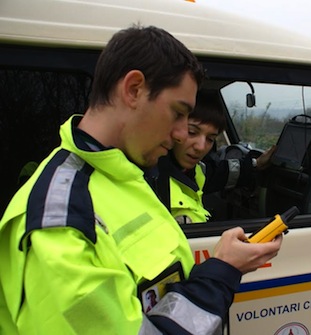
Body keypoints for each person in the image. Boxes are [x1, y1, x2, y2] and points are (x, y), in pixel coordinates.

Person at [0, 25, 282, 335]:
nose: (179, 134)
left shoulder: (126, 176)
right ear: (134, 89)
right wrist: (221, 272)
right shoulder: (59, 223)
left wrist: (218, 266)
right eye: (178, 113)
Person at [150, 91, 275, 224]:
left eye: (210, 139)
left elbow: (220, 173)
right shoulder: (151, 180)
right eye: (192, 132)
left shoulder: (196, 171)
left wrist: (255, 164)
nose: (201, 147)